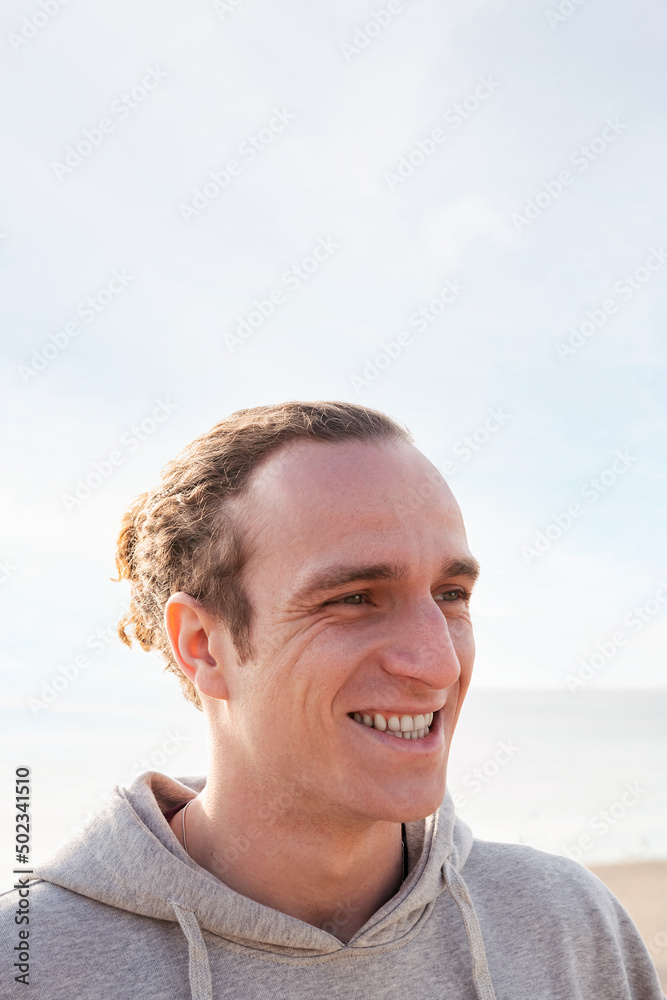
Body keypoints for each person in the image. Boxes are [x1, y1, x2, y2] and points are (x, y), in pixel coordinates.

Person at [2, 400, 663, 999]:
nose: (437, 663)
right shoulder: (30, 966)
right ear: (202, 645)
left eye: (451, 595)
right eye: (353, 599)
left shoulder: (568, 926)